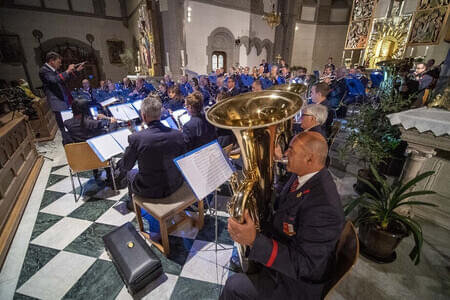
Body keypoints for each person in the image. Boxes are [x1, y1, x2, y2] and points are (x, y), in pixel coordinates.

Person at [221, 131, 344, 300]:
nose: (286, 154)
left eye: (291, 151)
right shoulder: (304, 175)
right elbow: (284, 206)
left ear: (309, 159)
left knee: (233, 286)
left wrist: (253, 240)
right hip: (287, 257)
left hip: (296, 285)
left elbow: (306, 266)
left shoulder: (324, 208)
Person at [119, 96, 187, 211]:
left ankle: (132, 205)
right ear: (160, 115)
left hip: (149, 189)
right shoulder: (178, 134)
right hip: (175, 184)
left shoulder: (136, 138)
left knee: (130, 173)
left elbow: (127, 165)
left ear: (143, 116)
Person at [39, 51, 84, 133]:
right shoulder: (44, 70)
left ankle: (74, 138)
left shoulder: (54, 70)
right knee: (63, 125)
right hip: (57, 101)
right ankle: (67, 141)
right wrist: (67, 71)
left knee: (70, 122)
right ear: (52, 61)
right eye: (58, 62)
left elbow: (63, 80)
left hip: (64, 98)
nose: (60, 64)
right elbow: (54, 80)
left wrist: (76, 71)